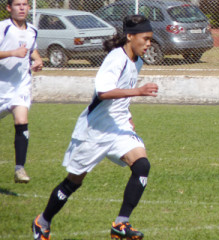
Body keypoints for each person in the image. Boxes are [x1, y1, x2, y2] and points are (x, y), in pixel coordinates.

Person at [32, 15, 158, 240]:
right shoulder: (115, 58)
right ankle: (42, 221)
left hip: (118, 127)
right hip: (95, 130)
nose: (149, 43)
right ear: (130, 36)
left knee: (142, 165)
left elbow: (120, 94)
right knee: (74, 181)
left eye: (150, 39)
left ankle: (121, 224)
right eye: (145, 38)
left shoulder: (136, 61)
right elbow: (103, 92)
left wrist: (127, 115)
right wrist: (138, 91)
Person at [0, 0, 43, 183]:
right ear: (9, 8)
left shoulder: (32, 30)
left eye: (25, 4)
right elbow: (17, 51)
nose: (23, 8)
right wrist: (12, 53)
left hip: (20, 86)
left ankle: (20, 169)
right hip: (2, 86)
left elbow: (32, 50)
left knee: (22, 120)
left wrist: (38, 60)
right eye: (18, 5)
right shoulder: (3, 28)